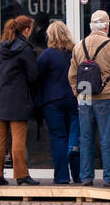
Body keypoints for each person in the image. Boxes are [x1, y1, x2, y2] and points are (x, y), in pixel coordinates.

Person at [68, 9, 110, 187]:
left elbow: (72, 74)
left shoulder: (79, 45)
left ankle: (86, 177)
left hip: (85, 95)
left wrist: (77, 93)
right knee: (107, 138)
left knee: (86, 138)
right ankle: (109, 177)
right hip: (107, 95)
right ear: (105, 27)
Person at [0, 15, 41, 186]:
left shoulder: (0, 46)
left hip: (1, 96)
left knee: (0, 137)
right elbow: (33, 75)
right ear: (26, 30)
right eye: (31, 29)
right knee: (18, 138)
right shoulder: (25, 49)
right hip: (19, 98)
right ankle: (21, 175)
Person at [34, 20, 80, 185]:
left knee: (58, 138)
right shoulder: (76, 52)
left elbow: (36, 78)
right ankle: (78, 173)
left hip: (53, 101)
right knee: (75, 134)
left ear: (50, 36)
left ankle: (62, 177)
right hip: (74, 99)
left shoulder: (47, 55)